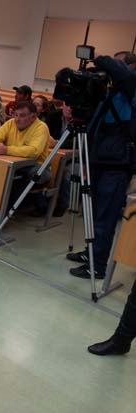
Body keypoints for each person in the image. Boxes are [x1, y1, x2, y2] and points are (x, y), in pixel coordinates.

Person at [67, 54, 136, 280]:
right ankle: (90, 254)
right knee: (94, 213)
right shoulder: (114, 92)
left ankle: (97, 266)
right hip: (100, 160)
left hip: (117, 165)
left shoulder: (132, 86)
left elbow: (124, 73)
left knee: (105, 218)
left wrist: (99, 58)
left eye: (120, 64)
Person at [0, 101, 51, 204]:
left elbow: (34, 151)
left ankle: (5, 211)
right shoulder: (11, 123)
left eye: (22, 116)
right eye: (16, 115)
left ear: (33, 117)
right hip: (13, 163)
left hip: (37, 166)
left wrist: (6, 150)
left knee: (19, 178)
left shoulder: (41, 127)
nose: (17, 119)